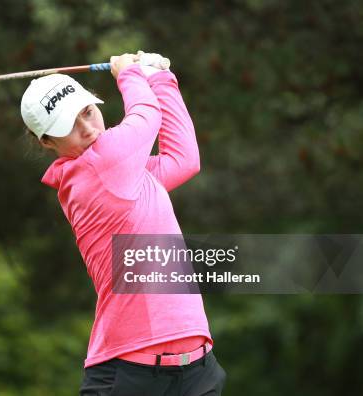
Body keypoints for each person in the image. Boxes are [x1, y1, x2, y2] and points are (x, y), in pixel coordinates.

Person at [20, 52, 227, 395]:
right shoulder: (97, 168)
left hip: (197, 371)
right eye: (68, 126)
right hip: (130, 375)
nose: (87, 129)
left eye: (87, 112)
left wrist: (161, 79)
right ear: (47, 141)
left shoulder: (123, 172)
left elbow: (184, 159)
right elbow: (146, 116)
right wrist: (130, 73)